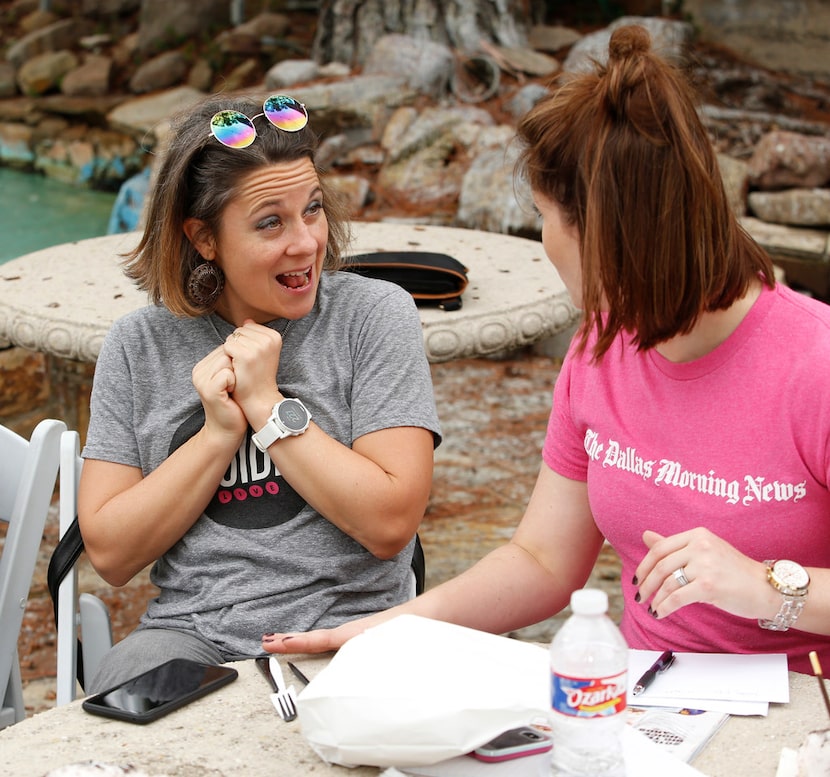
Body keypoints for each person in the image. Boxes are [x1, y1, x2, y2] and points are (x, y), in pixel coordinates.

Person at [262, 26, 830, 674]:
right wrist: (381, 630)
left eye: (543, 214)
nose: (544, 240)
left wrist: (765, 586)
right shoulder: (599, 347)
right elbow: (542, 561)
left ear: (608, 232)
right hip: (648, 708)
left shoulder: (815, 365)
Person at [79, 93, 441, 692]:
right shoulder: (138, 345)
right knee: (124, 698)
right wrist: (218, 434)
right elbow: (112, 555)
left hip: (354, 630)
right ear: (203, 238)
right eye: (271, 222)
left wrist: (269, 407)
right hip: (192, 637)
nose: (305, 243)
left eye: (314, 209)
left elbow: (390, 521)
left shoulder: (373, 316)